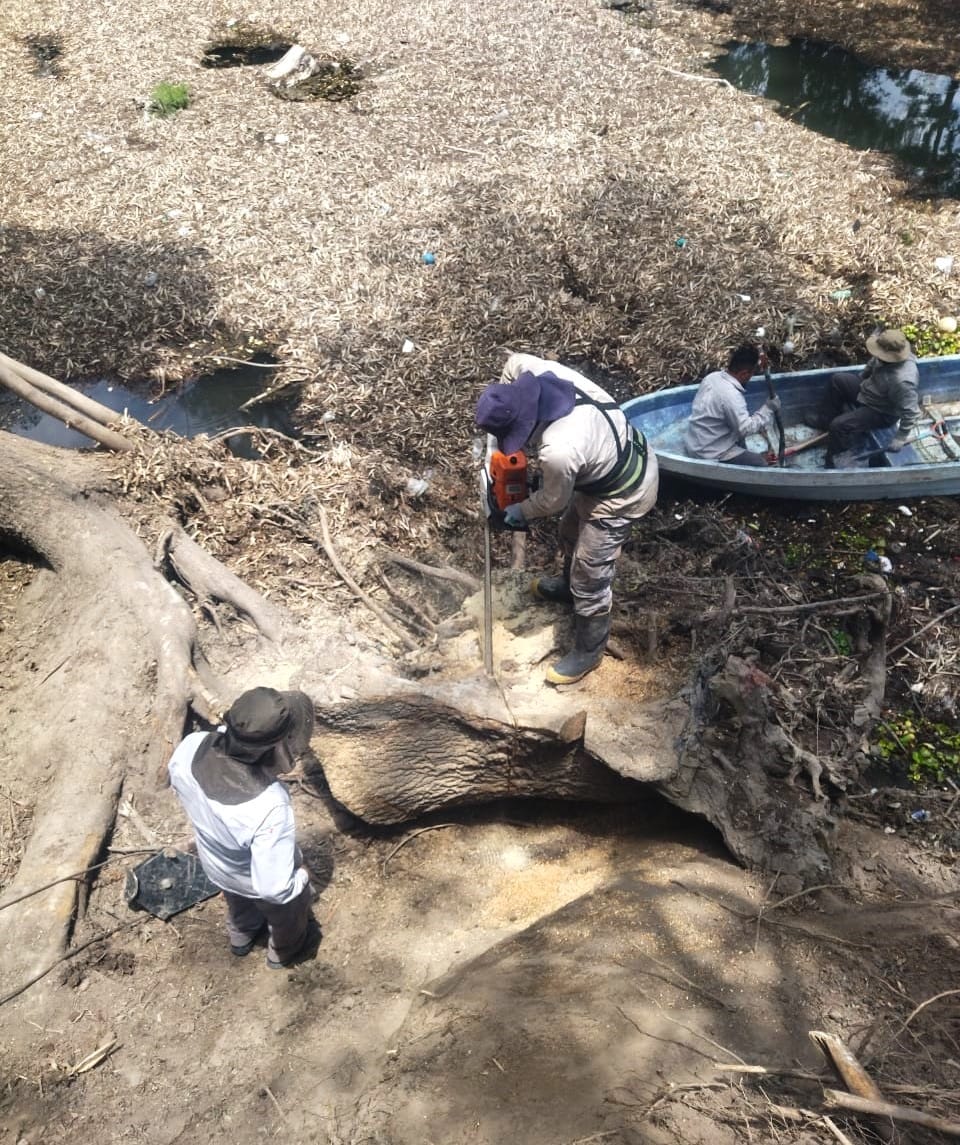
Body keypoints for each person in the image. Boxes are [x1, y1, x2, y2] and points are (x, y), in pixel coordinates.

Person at [475, 352, 659, 686]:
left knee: (590, 569)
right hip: (603, 460)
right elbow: (510, 364)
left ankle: (589, 650)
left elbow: (553, 500)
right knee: (569, 531)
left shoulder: (559, 448)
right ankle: (567, 588)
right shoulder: (528, 370)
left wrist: (518, 511)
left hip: (625, 489)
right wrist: (493, 456)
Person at [168, 686, 320, 969]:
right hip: (253, 879)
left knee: (239, 907)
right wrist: (301, 879)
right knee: (287, 912)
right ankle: (283, 952)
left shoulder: (191, 746)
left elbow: (180, 788)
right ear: (276, 748)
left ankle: (241, 936)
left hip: (215, 866)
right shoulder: (269, 805)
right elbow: (274, 889)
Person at [810, 328, 920, 466]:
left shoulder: (902, 381)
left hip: (881, 411)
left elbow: (911, 412)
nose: (877, 355)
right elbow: (872, 364)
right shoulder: (884, 356)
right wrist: (862, 378)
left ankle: (835, 459)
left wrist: (900, 437)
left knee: (839, 425)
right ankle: (824, 421)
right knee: (838, 380)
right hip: (868, 390)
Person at [684, 344, 781, 466]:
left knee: (740, 435)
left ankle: (742, 453)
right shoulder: (731, 396)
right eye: (750, 375)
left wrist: (759, 355)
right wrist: (768, 408)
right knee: (761, 464)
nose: (750, 378)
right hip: (709, 452)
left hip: (695, 441)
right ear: (744, 373)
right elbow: (745, 429)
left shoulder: (712, 377)